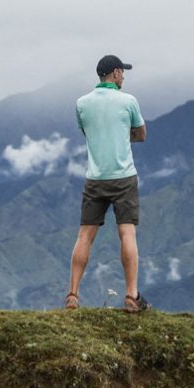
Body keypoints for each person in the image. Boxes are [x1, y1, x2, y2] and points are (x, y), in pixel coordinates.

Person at [66, 54, 151, 313]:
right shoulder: (128, 101)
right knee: (127, 233)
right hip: (123, 176)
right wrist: (124, 135)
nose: (124, 76)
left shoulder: (82, 104)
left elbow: (87, 133)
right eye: (122, 72)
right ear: (115, 73)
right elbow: (141, 134)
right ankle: (131, 296)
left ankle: (72, 295)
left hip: (95, 177)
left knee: (84, 236)